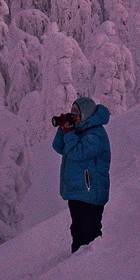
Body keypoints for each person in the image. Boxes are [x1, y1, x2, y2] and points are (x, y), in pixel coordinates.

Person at [51, 95, 111, 252]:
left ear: (86, 113)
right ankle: (76, 266)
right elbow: (59, 147)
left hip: (92, 192)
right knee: (77, 231)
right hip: (77, 191)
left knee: (90, 233)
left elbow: (78, 152)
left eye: (76, 113)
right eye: (72, 113)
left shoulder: (96, 134)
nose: (74, 117)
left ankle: (93, 265)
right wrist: (63, 129)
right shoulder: (79, 131)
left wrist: (68, 132)